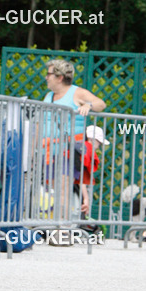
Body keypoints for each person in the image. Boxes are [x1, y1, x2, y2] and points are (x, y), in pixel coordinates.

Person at [42, 59, 106, 218]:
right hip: (49, 150)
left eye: (49, 74)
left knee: (63, 189)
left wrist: (88, 105)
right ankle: (58, 225)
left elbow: (101, 104)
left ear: (59, 77)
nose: (46, 77)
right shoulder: (48, 96)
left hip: (68, 151)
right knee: (55, 191)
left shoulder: (77, 93)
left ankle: (62, 230)